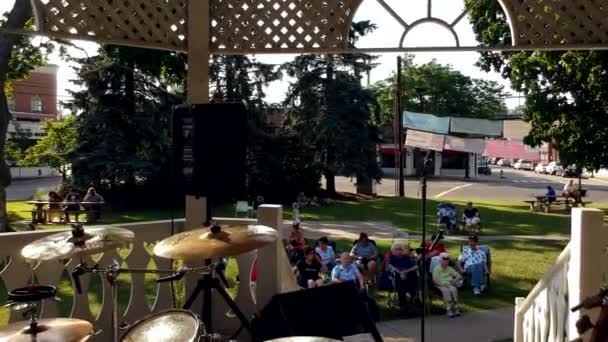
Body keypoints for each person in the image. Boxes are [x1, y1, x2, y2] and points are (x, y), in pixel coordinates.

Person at [387, 243, 419, 308]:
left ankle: (413, 298)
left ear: (402, 250)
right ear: (393, 251)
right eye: (396, 250)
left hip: (408, 275)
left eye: (400, 249)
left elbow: (416, 266)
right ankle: (403, 301)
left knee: (413, 274)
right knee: (399, 278)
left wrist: (407, 271)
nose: (398, 251)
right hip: (397, 276)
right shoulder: (391, 258)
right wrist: (400, 273)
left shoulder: (407, 258)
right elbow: (390, 267)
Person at [432, 252, 463, 317]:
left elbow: (459, 276)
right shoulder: (436, 269)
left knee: (453, 289)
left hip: (450, 284)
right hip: (440, 284)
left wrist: (454, 280)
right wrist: (444, 284)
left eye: (447, 260)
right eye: (444, 260)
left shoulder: (449, 268)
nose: (445, 262)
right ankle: (448, 309)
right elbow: (435, 280)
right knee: (446, 291)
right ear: (440, 261)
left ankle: (455, 307)